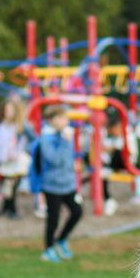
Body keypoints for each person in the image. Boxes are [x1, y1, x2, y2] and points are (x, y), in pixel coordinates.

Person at [37, 105, 82, 262]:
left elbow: (66, 159)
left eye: (66, 118)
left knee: (77, 211)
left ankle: (61, 240)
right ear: (51, 120)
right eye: (61, 118)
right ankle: (48, 249)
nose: (65, 121)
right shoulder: (46, 139)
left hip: (67, 184)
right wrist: (64, 141)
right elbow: (55, 160)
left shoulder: (64, 136)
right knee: (53, 219)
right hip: (52, 185)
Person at [0, 96, 30, 219]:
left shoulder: (18, 127)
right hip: (5, 158)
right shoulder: (2, 126)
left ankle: (10, 208)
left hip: (13, 159)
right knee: (7, 184)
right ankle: (8, 208)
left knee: (11, 184)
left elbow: (24, 140)